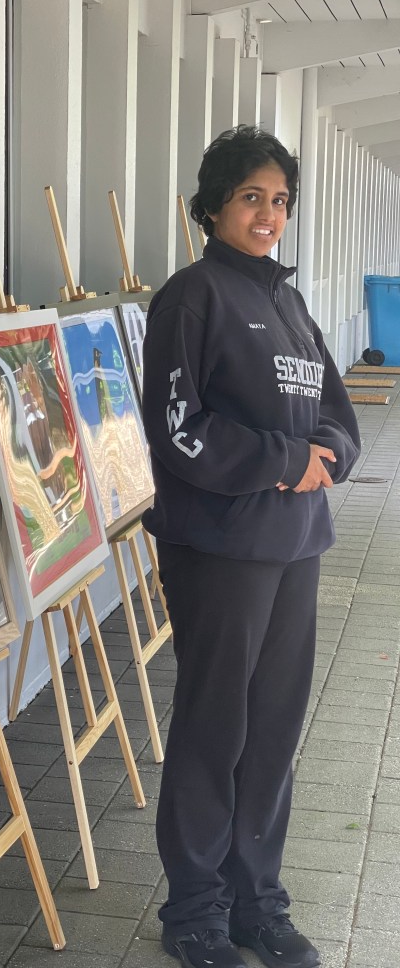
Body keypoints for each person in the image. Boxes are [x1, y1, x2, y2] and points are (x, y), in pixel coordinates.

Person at [141, 125, 360, 968]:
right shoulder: (192, 298)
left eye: (280, 200)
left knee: (272, 729)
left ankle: (255, 902)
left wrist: (328, 453)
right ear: (212, 207)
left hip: (297, 544)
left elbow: (335, 412)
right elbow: (177, 429)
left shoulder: (290, 305)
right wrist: (283, 460)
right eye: (250, 198)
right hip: (221, 550)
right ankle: (195, 912)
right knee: (215, 726)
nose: (269, 214)